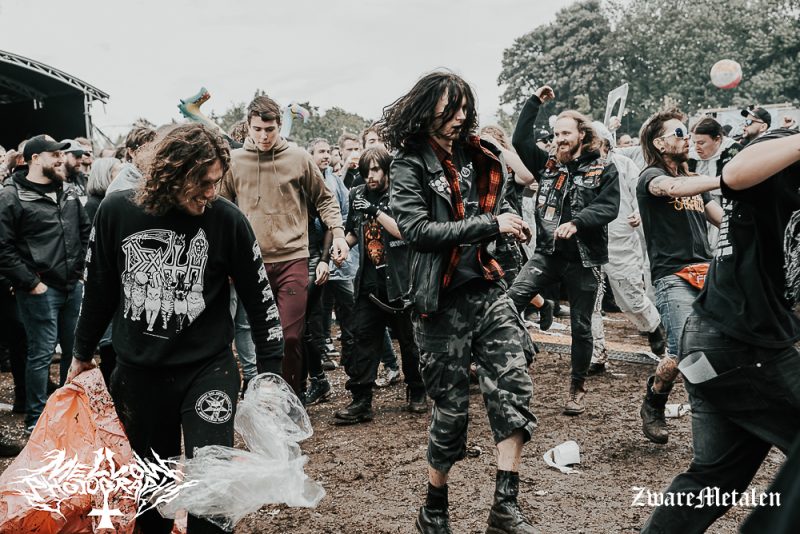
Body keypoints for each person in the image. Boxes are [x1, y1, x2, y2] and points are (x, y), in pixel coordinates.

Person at [68, 123, 284, 533]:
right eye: (203, 182)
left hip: (207, 369)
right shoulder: (116, 211)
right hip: (139, 373)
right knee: (151, 491)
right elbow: (98, 291)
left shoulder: (227, 220)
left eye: (217, 182)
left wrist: (270, 373)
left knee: (212, 488)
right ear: (172, 173)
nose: (211, 193)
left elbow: (260, 301)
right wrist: (81, 353)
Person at [382, 70, 538, 534]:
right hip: (439, 300)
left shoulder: (478, 153)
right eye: (449, 109)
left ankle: (505, 506)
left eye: (464, 108)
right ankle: (434, 509)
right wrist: (491, 225)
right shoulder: (408, 164)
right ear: (425, 110)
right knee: (450, 412)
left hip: (487, 290)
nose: (459, 117)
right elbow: (417, 231)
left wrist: (509, 224)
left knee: (514, 388)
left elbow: (501, 201)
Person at [640, 127, 800, 534]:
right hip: (739, 345)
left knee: (713, 479)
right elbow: (734, 173)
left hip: (713, 343)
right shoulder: (780, 147)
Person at [220, 95, 348, 395]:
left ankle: (293, 397)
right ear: (248, 127)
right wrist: (224, 256)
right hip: (253, 262)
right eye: (257, 129)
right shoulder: (235, 162)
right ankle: (270, 400)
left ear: (279, 126)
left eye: (270, 129)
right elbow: (221, 208)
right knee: (264, 339)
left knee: (290, 336)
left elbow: (325, 199)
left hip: (293, 257)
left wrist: (339, 234)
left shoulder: (298, 157)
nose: (264, 136)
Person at [507, 85, 620, 416]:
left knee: (581, 327)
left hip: (584, 259)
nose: (559, 139)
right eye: (556, 134)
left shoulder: (603, 168)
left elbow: (608, 207)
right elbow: (520, 140)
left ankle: (577, 388)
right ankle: (526, 347)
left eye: (566, 133)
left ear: (582, 134)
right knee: (510, 301)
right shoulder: (548, 165)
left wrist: (578, 222)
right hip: (548, 253)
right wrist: (534, 102)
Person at [635, 109, 722, 444]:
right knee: (685, 350)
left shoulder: (694, 180)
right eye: (680, 133)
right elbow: (670, 188)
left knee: (702, 348)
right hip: (672, 275)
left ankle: (664, 397)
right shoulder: (651, 177)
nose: (688, 139)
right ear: (660, 143)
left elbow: (719, 217)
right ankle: (661, 402)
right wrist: (724, 179)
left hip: (707, 272)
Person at [0, 135, 91, 432]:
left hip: (71, 285)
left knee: (73, 351)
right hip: (39, 290)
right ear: (35, 159)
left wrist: (80, 272)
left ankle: (67, 412)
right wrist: (30, 282)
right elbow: (3, 247)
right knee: (40, 354)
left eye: (61, 154)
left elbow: (84, 230)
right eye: (54, 154)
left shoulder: (68, 190)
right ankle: (36, 419)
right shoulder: (11, 195)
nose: (60, 158)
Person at [334, 145, 426, 424]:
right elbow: (354, 231)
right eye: (366, 172)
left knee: (410, 343)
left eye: (375, 170)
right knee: (363, 339)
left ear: (387, 169)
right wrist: (342, 247)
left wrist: (375, 210)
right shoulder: (357, 193)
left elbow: (406, 231)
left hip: (401, 283)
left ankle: (417, 391)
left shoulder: (400, 193)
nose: (370, 176)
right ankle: (361, 400)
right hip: (369, 283)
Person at [587, 122, 665, 375]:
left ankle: (654, 327)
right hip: (588, 241)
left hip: (620, 240)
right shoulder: (579, 167)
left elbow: (640, 194)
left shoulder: (624, 165)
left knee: (629, 296)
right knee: (589, 301)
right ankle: (596, 354)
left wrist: (639, 213)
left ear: (606, 144)